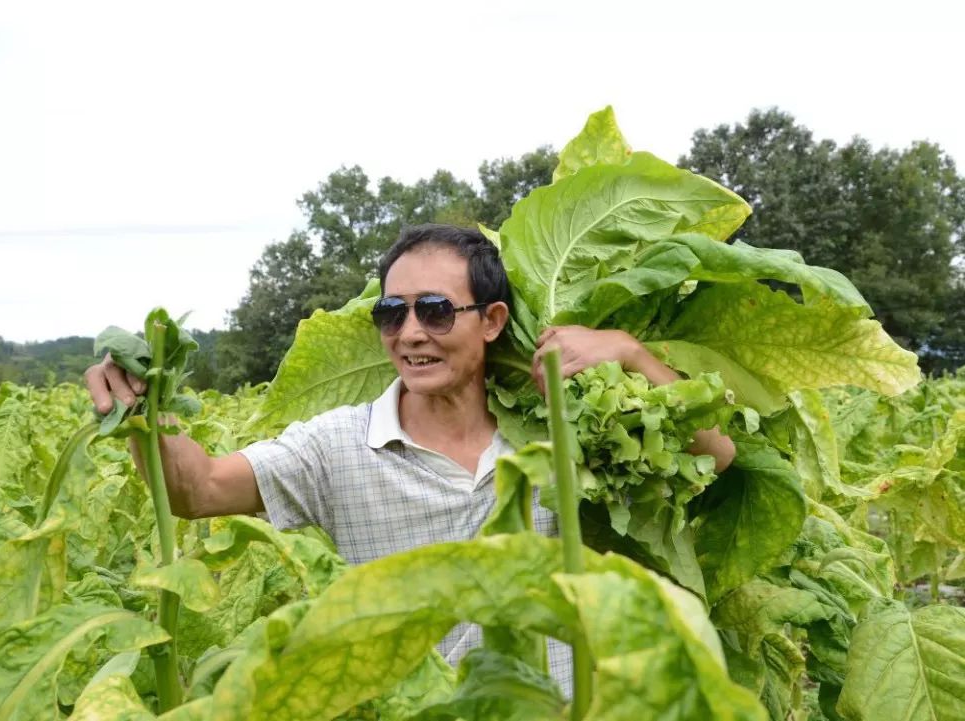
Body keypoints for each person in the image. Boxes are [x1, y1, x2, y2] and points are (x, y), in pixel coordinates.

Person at [85, 223, 736, 687]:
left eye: (434, 310)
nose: (411, 332)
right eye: (392, 312)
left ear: (493, 320)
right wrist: (145, 409)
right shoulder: (336, 443)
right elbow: (197, 490)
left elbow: (718, 453)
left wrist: (631, 354)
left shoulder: (562, 434)